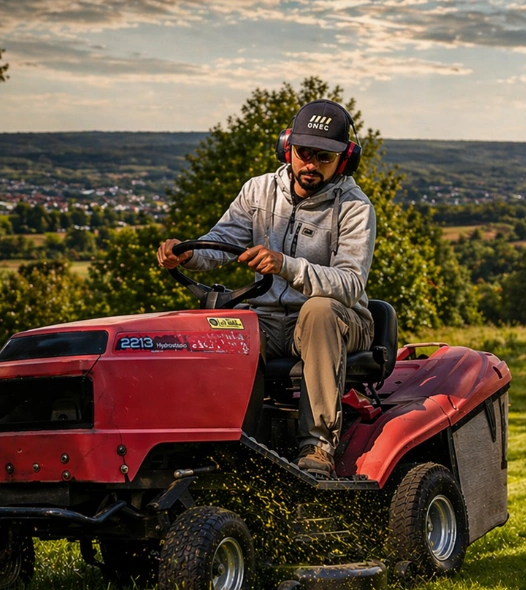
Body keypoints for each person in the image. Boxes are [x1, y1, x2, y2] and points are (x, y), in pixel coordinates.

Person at [156, 99, 376, 479]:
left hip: (341, 321)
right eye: (304, 153)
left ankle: (317, 447)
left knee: (319, 309)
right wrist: (187, 254)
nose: (311, 164)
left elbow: (351, 284)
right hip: (270, 321)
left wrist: (286, 266)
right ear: (287, 148)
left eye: (324, 157)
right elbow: (221, 242)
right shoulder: (258, 192)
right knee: (224, 326)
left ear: (344, 161)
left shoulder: (355, 208)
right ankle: (227, 442)